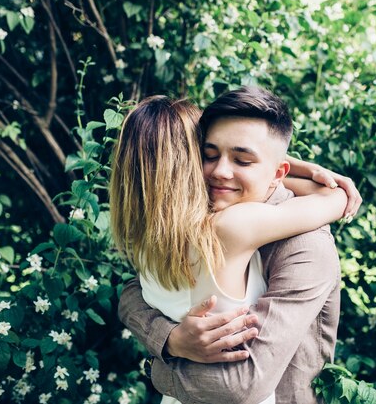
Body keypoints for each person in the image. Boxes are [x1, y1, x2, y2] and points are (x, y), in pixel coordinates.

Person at [110, 90, 350, 404]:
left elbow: (238, 384)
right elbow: (333, 199)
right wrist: (169, 340)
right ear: (191, 162)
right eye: (209, 155)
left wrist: (161, 366)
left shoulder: (146, 237)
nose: (221, 171)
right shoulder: (223, 225)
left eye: (243, 159)